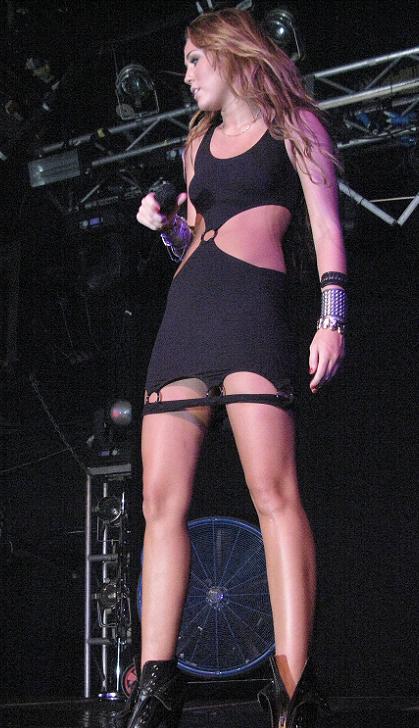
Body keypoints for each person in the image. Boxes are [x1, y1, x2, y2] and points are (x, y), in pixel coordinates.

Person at [128, 8, 345, 728]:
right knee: (160, 502)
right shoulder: (196, 143)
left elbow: (324, 226)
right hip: (186, 314)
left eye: (195, 59)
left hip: (252, 312)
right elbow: (193, 237)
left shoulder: (295, 126)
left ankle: (292, 686)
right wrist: (167, 227)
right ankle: (155, 688)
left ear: (229, 53)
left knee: (272, 493)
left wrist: (331, 317)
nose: (186, 74)